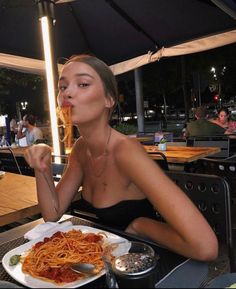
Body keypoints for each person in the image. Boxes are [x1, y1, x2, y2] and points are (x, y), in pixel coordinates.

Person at [24, 54, 217, 261]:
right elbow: (52, 214)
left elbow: (206, 248)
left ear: (109, 99)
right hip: (104, 262)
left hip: (145, 262)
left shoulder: (126, 151)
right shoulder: (81, 148)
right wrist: (41, 167)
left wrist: (139, 225)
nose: (67, 93)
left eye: (82, 84)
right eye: (62, 87)